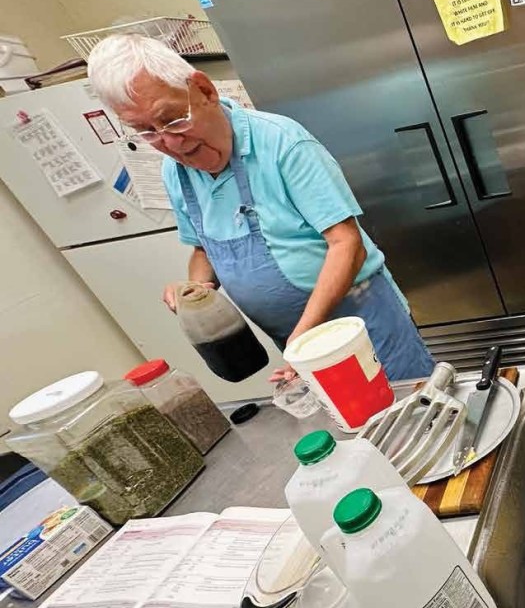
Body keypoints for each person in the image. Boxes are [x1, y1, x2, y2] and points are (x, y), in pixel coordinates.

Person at [88, 34, 434, 383]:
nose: (170, 143)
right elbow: (202, 249)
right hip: (297, 341)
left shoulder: (281, 142)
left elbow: (347, 244)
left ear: (205, 91)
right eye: (146, 131)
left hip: (363, 325)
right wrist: (196, 288)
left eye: (174, 119)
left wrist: (302, 340)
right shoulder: (174, 172)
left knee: (414, 416)